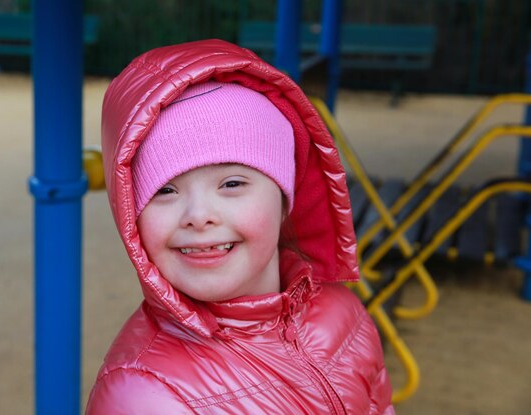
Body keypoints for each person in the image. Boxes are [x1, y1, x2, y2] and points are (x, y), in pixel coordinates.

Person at [86, 39, 394, 414]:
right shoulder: (144, 394)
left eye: (232, 184)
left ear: (285, 200)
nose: (199, 215)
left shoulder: (344, 315)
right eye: (164, 190)